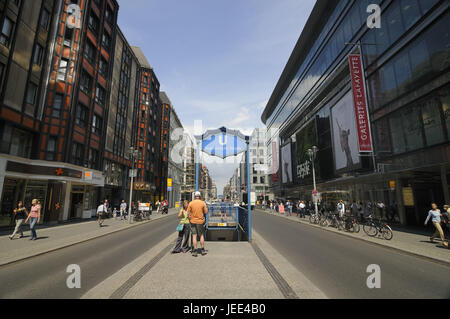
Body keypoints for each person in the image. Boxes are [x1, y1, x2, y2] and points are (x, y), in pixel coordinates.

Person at [187, 191, 208, 257]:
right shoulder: (202, 203)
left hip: (193, 221)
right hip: (200, 221)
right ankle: (202, 249)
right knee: (201, 235)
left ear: (194, 196)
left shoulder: (191, 203)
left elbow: (188, 213)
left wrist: (190, 218)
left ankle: (195, 250)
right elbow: (206, 212)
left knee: (194, 236)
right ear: (200, 196)